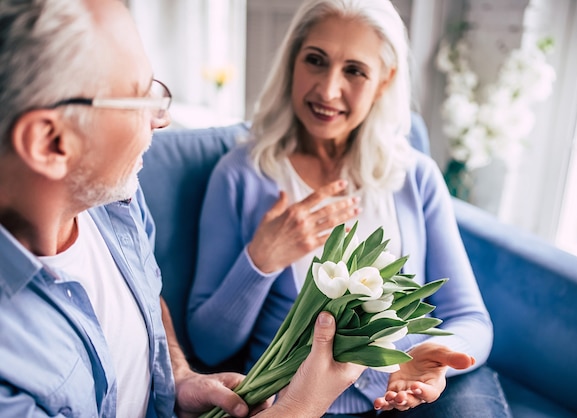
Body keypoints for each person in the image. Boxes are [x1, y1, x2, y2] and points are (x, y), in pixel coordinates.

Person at [0, 0, 380, 417]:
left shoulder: (114, 199)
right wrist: (302, 404)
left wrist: (179, 377)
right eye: (138, 98)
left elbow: (147, 297)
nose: (160, 118)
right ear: (50, 143)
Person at [188, 0, 513, 417]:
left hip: (411, 394)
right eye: (315, 61)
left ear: (384, 81)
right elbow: (209, 346)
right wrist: (260, 261)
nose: (327, 90)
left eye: (355, 70)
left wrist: (431, 357)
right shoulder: (240, 176)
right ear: (292, 62)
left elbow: (469, 316)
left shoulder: (415, 176)